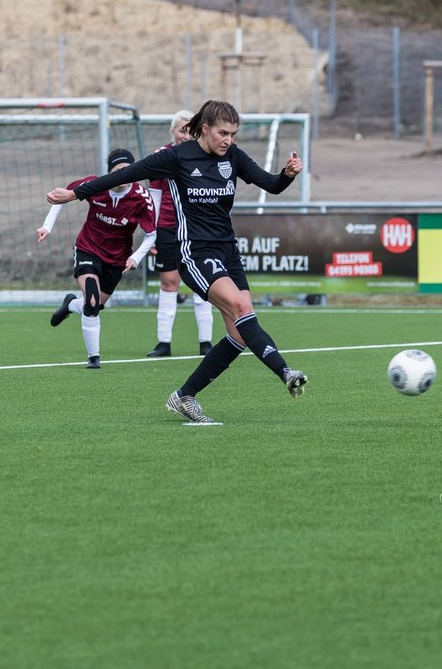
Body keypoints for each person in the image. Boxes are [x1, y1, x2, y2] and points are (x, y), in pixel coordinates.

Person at [47, 100, 305, 425]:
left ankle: (185, 396)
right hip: (192, 250)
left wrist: (288, 174)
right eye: (222, 133)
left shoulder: (234, 157)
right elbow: (125, 174)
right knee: (242, 308)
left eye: (233, 134)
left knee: (240, 333)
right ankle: (286, 372)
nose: (228, 139)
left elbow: (273, 185)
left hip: (227, 250)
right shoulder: (177, 157)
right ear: (206, 128)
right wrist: (75, 194)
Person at [37, 148, 157, 369]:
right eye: (119, 170)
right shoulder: (96, 185)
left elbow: (151, 234)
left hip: (117, 259)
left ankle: (71, 305)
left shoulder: (141, 198)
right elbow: (61, 198)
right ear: (110, 172)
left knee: (93, 305)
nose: (124, 174)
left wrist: (136, 257)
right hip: (88, 249)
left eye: (128, 170)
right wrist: (47, 226)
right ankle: (94, 359)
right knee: (91, 303)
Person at [145, 109, 215, 358]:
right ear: (172, 131)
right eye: (180, 129)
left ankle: (205, 342)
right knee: (169, 282)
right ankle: (164, 342)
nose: (185, 134)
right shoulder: (161, 157)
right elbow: (153, 198)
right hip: (167, 228)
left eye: (189, 129)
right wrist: (151, 232)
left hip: (196, 228)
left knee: (201, 284)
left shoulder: (203, 156)